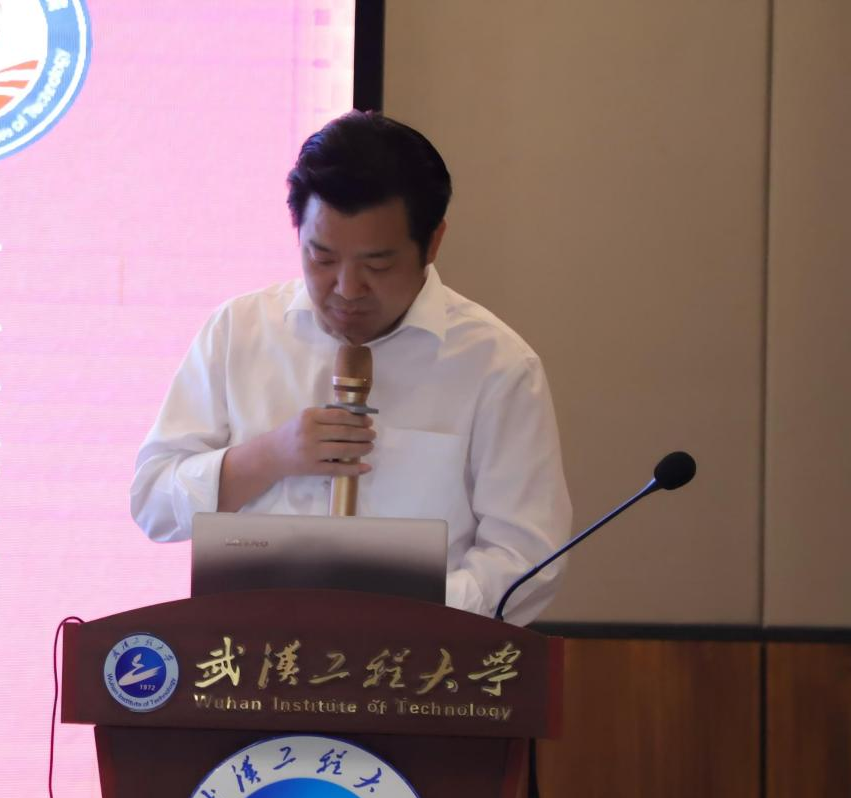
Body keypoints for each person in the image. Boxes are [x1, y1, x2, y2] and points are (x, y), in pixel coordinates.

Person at [130, 111, 571, 625]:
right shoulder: (238, 332)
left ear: (432, 243)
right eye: (322, 259)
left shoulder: (497, 365)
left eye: (377, 265)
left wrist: (401, 614)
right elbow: (153, 503)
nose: (346, 288)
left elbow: (526, 559)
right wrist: (270, 456)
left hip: (417, 661)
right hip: (250, 656)